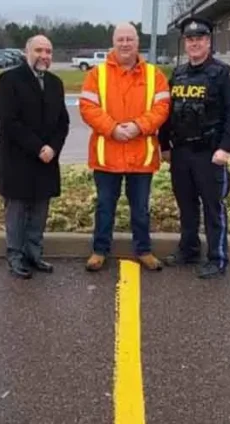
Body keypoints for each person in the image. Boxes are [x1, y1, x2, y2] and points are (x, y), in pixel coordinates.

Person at [79, 23, 171, 272]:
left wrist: (138, 126)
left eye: (129, 39)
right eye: (120, 39)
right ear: (113, 42)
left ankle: (144, 250)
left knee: (140, 208)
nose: (125, 44)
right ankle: (99, 251)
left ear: (137, 42)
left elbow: (161, 109)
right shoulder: (97, 75)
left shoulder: (155, 75)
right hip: (107, 154)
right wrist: (113, 129)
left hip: (141, 155)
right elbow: (88, 108)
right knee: (104, 206)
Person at [158, 16, 230, 279]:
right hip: (181, 152)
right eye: (190, 39)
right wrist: (164, 145)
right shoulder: (179, 74)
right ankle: (189, 249)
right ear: (185, 43)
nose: (195, 43)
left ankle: (217, 258)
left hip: (210, 153)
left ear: (208, 41)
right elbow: (168, 112)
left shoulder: (223, 74)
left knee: (213, 207)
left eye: (200, 39)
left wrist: (226, 148)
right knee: (186, 205)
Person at [0, 35, 70, 279]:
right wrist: (38, 148)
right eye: (39, 50)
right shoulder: (9, 80)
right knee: (16, 211)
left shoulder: (56, 83)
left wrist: (53, 148)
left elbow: (63, 122)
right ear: (27, 52)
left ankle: (34, 254)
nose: (44, 56)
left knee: (39, 210)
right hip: (18, 160)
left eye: (48, 51)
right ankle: (15, 256)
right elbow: (9, 121)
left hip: (47, 160)